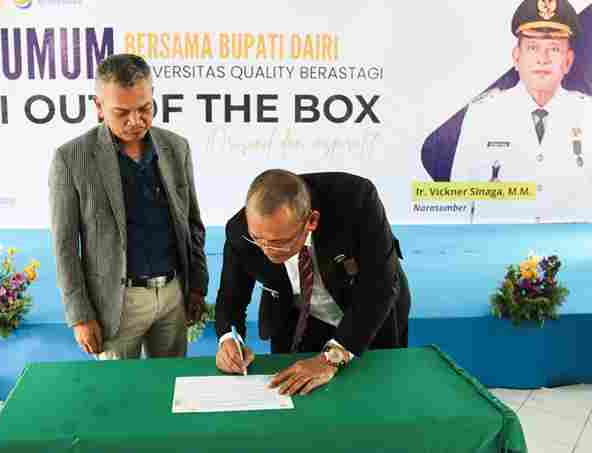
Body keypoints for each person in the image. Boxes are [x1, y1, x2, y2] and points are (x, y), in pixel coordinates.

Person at [48, 54, 209, 360]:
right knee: (118, 388)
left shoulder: (177, 147)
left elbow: (192, 223)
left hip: (173, 296)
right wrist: (80, 316)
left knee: (171, 383)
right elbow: (64, 246)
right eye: (121, 112)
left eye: (145, 108)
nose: (136, 121)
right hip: (114, 304)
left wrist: (197, 286)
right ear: (98, 107)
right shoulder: (70, 158)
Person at [214, 170, 410, 395]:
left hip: (367, 313)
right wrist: (228, 340)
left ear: (311, 221)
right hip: (300, 318)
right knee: (297, 393)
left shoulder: (356, 200)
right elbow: (231, 296)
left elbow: (379, 285)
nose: (268, 250)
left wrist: (331, 358)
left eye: (280, 242)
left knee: (375, 392)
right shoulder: (240, 231)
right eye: (259, 239)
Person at [451, 0, 592, 223]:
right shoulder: (483, 115)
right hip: (497, 245)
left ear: (568, 61)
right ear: (516, 57)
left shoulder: (588, 115)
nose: (543, 58)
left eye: (554, 49)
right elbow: (456, 207)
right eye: (533, 48)